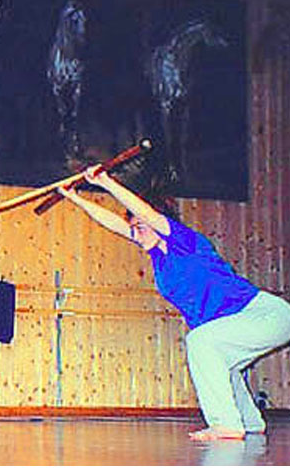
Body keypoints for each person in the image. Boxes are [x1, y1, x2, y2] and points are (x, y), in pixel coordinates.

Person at [58, 165, 290, 441]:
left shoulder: (185, 242)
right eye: (134, 229)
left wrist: (106, 182)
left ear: (158, 224)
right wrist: (74, 197)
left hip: (267, 315)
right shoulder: (159, 257)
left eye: (141, 227)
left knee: (201, 342)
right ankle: (251, 422)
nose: (136, 233)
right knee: (220, 362)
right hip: (237, 323)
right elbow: (115, 224)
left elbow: (148, 214)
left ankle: (226, 424)